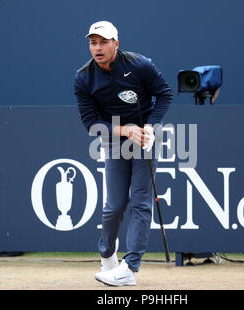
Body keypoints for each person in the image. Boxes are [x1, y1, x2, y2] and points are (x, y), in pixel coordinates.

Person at [74, 21, 173, 286]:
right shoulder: (84, 78)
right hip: (116, 139)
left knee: (141, 202)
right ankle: (107, 255)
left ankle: (130, 269)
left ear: (116, 43)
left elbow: (164, 94)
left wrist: (150, 126)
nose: (98, 47)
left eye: (103, 42)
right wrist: (125, 131)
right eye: (93, 42)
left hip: (145, 138)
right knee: (114, 206)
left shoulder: (140, 65)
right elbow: (91, 122)